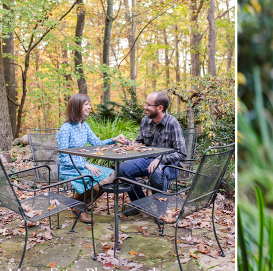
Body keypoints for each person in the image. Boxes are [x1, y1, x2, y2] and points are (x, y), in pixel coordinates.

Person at [57, 93, 128, 224]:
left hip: (82, 164)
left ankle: (80, 205)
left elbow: (96, 143)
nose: (90, 107)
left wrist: (114, 139)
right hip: (69, 168)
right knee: (94, 182)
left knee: (111, 175)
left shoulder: (84, 125)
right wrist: (85, 165)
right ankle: (80, 207)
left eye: (89, 104)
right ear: (77, 106)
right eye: (86, 104)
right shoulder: (66, 129)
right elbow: (63, 157)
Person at [119, 91, 186, 215]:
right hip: (147, 160)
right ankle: (141, 204)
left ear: (160, 108)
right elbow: (140, 143)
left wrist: (160, 159)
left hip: (170, 165)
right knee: (122, 169)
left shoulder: (172, 123)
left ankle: (161, 212)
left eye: (148, 105)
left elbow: (181, 153)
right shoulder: (145, 120)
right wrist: (128, 143)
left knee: (156, 172)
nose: (145, 107)